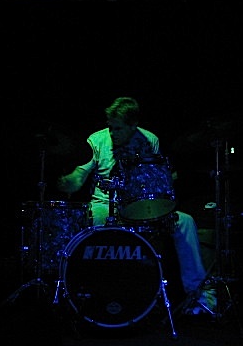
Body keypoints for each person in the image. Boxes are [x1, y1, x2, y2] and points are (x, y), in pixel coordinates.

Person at [57, 97, 212, 311]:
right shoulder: (97, 139)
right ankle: (93, 293)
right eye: (111, 127)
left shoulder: (150, 140)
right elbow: (79, 176)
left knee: (185, 222)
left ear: (133, 125)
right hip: (104, 204)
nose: (113, 133)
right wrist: (69, 182)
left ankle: (198, 297)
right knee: (94, 218)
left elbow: (158, 179)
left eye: (118, 128)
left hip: (140, 205)